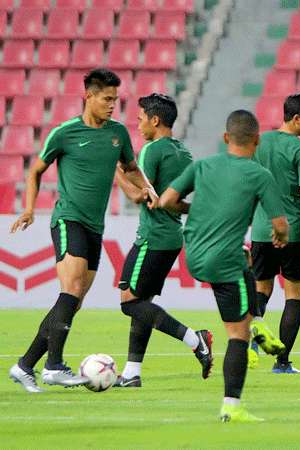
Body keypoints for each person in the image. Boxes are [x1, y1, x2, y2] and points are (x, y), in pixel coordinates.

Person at [8, 68, 158, 393]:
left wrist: (149, 190)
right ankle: (54, 366)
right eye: (106, 99)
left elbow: (132, 170)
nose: (112, 106)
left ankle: (24, 365)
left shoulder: (118, 134)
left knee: (73, 301)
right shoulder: (64, 134)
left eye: (115, 100)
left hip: (95, 226)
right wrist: (31, 209)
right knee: (72, 287)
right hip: (67, 219)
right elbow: (35, 171)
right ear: (88, 96)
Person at [160, 110, 288, 422]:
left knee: (247, 267)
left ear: (225, 137)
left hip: (194, 255)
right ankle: (232, 405)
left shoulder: (202, 165)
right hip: (224, 261)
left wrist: (198, 207)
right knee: (237, 334)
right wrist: (280, 237)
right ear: (257, 141)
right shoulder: (259, 175)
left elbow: (165, 201)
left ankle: (257, 320)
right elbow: (281, 224)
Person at [113, 93, 212, 388]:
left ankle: (195, 339)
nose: (138, 123)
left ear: (155, 121)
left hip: (152, 237)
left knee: (129, 303)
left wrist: (115, 168)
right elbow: (173, 202)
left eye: (141, 118)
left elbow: (139, 197)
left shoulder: (151, 151)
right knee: (143, 303)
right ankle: (132, 373)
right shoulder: (184, 154)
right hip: (171, 237)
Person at [249, 93, 300, 373]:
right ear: (296, 119)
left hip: (262, 229)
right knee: (293, 295)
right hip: (294, 232)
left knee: (261, 290)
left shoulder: (260, 142)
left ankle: (249, 344)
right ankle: (282, 362)